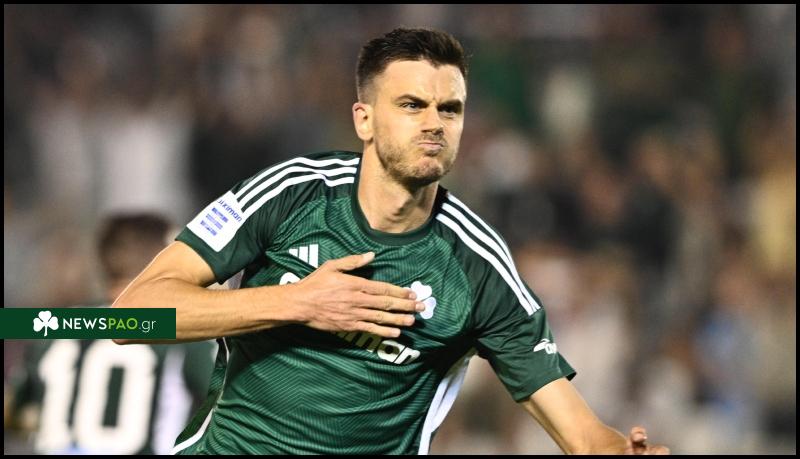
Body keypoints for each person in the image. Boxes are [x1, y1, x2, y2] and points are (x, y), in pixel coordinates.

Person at [113, 28, 669, 455]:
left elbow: (582, 434)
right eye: (411, 105)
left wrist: (618, 450)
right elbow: (128, 317)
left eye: (450, 109)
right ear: (364, 120)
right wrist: (298, 302)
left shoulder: (477, 267)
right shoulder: (291, 193)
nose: (434, 124)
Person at [8, 214, 216, 454]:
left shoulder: (53, 324)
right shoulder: (178, 330)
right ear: (164, 259)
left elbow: (16, 408)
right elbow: (228, 403)